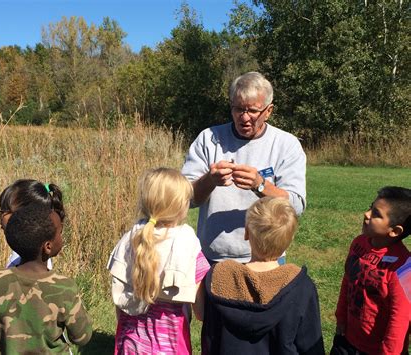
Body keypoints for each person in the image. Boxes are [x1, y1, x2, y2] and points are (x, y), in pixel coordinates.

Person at [181, 71, 306, 263]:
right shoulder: (208, 139)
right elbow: (186, 199)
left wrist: (260, 185)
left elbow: (296, 205)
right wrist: (210, 180)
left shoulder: (286, 144)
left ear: (269, 111)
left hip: (268, 259)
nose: (244, 117)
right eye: (238, 109)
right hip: (213, 259)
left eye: (253, 111)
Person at [201, 197, 324, 354]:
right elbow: (311, 345)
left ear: (246, 232)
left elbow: (210, 337)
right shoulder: (301, 287)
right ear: (290, 240)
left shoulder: (220, 279)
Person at [107, 167, 210, 354]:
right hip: (169, 346)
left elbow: (119, 305)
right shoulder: (188, 246)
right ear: (182, 206)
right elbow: (201, 312)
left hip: (130, 343)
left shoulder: (130, 240)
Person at [0, 203, 92, 352]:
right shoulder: (64, 286)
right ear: (48, 246)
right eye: (60, 232)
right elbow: (82, 337)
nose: (61, 237)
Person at [0, 179, 65, 311]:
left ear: (24, 215)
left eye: (4, 211)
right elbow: (15, 282)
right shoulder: (24, 252)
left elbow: (27, 302)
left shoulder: (35, 257)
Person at [333, 186, 411, 355]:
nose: (366, 214)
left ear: (395, 231)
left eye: (376, 214)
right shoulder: (359, 243)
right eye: (370, 207)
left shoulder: (404, 268)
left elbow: (401, 317)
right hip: (346, 340)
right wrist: (341, 316)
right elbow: (348, 280)